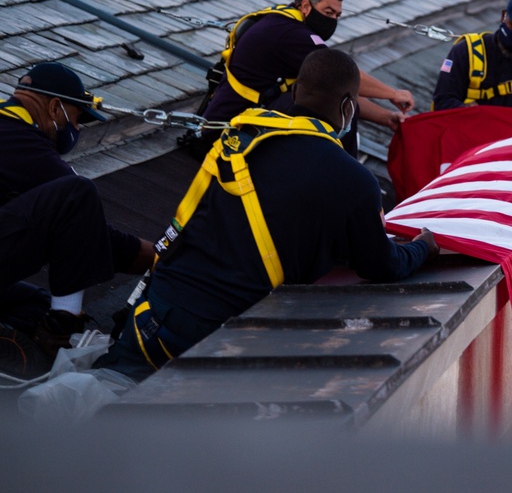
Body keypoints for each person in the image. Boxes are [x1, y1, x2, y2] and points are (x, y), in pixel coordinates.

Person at [96, 48, 439, 381]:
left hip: (155, 312)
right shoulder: (353, 179)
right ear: (349, 107)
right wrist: (423, 247)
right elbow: (381, 265)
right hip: (218, 333)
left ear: (293, 92)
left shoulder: (241, 138)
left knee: (103, 397)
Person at [0, 63, 155, 375]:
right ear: (55, 107)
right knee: (77, 193)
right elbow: (84, 225)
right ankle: (61, 331)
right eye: (78, 117)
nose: (79, 129)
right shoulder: (20, 141)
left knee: (35, 303)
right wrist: (155, 257)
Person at [198, 0, 414, 157]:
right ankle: (341, 171)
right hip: (229, 136)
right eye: (328, 12)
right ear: (305, 6)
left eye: (337, 16)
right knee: (325, 101)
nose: (332, 20)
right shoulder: (293, 35)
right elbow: (340, 75)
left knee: (326, 94)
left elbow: (339, 92)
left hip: (233, 121)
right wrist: (392, 93)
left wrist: (386, 117)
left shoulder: (282, 20)